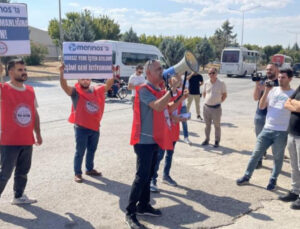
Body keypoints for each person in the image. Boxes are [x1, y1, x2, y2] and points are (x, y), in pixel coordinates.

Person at [126, 60, 182, 229]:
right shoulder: (143, 89)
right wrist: (171, 91)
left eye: (162, 69)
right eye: (159, 69)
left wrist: (179, 97)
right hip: (143, 141)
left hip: (155, 140)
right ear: (149, 73)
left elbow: (167, 108)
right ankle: (130, 212)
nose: (162, 72)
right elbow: (158, 106)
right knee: (141, 176)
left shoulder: (159, 90)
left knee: (149, 175)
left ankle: (143, 206)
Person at [236, 68, 294, 190]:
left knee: (278, 157)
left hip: (282, 131)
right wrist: (266, 92)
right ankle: (247, 176)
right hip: (267, 128)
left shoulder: (293, 94)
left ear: (290, 79)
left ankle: (273, 180)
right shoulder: (273, 90)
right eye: (279, 77)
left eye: (283, 77)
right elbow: (262, 106)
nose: (280, 79)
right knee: (256, 153)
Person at [59, 64, 114, 183]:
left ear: (91, 79)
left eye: (88, 79)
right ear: (78, 79)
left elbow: (108, 85)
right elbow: (64, 86)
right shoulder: (75, 92)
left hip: (95, 127)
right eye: (83, 79)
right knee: (80, 151)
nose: (85, 81)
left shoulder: (96, 90)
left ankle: (89, 169)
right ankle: (77, 173)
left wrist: (112, 73)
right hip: (81, 128)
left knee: (92, 150)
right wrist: (62, 73)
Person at [0, 59, 42, 205]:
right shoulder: (3, 88)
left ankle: (18, 196)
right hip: (9, 141)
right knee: (4, 173)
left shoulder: (30, 90)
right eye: (20, 70)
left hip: (27, 140)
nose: (24, 72)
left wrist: (38, 133)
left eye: (24, 69)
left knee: (23, 171)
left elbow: (34, 113)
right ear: (10, 72)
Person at [150, 81, 188, 193]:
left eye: (178, 79)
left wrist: (182, 117)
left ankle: (166, 176)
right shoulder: (164, 93)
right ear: (169, 81)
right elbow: (163, 110)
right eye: (174, 79)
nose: (177, 81)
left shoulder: (182, 93)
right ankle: (152, 179)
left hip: (174, 130)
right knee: (159, 156)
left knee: (169, 155)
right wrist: (172, 117)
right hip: (164, 130)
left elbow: (182, 108)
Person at [253, 63, 279, 169]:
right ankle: (259, 160)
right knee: (260, 139)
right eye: (267, 69)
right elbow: (255, 98)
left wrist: (269, 90)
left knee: (275, 142)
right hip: (260, 115)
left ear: (277, 70)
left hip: (273, 117)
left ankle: (277, 164)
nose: (268, 71)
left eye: (271, 69)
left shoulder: (281, 83)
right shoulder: (263, 81)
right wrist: (257, 85)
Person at [279, 84, 300, 209]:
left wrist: (294, 103)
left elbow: (291, 104)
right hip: (292, 133)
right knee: (294, 166)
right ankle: (295, 191)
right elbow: (286, 104)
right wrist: (296, 104)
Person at [201, 68, 227, 147]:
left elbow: (224, 95)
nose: (211, 75)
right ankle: (207, 139)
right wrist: (209, 101)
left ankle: (216, 141)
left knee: (217, 125)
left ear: (216, 73)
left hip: (216, 108)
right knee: (207, 125)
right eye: (209, 73)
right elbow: (204, 93)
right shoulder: (206, 83)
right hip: (206, 107)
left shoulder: (221, 83)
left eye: (213, 73)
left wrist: (218, 101)